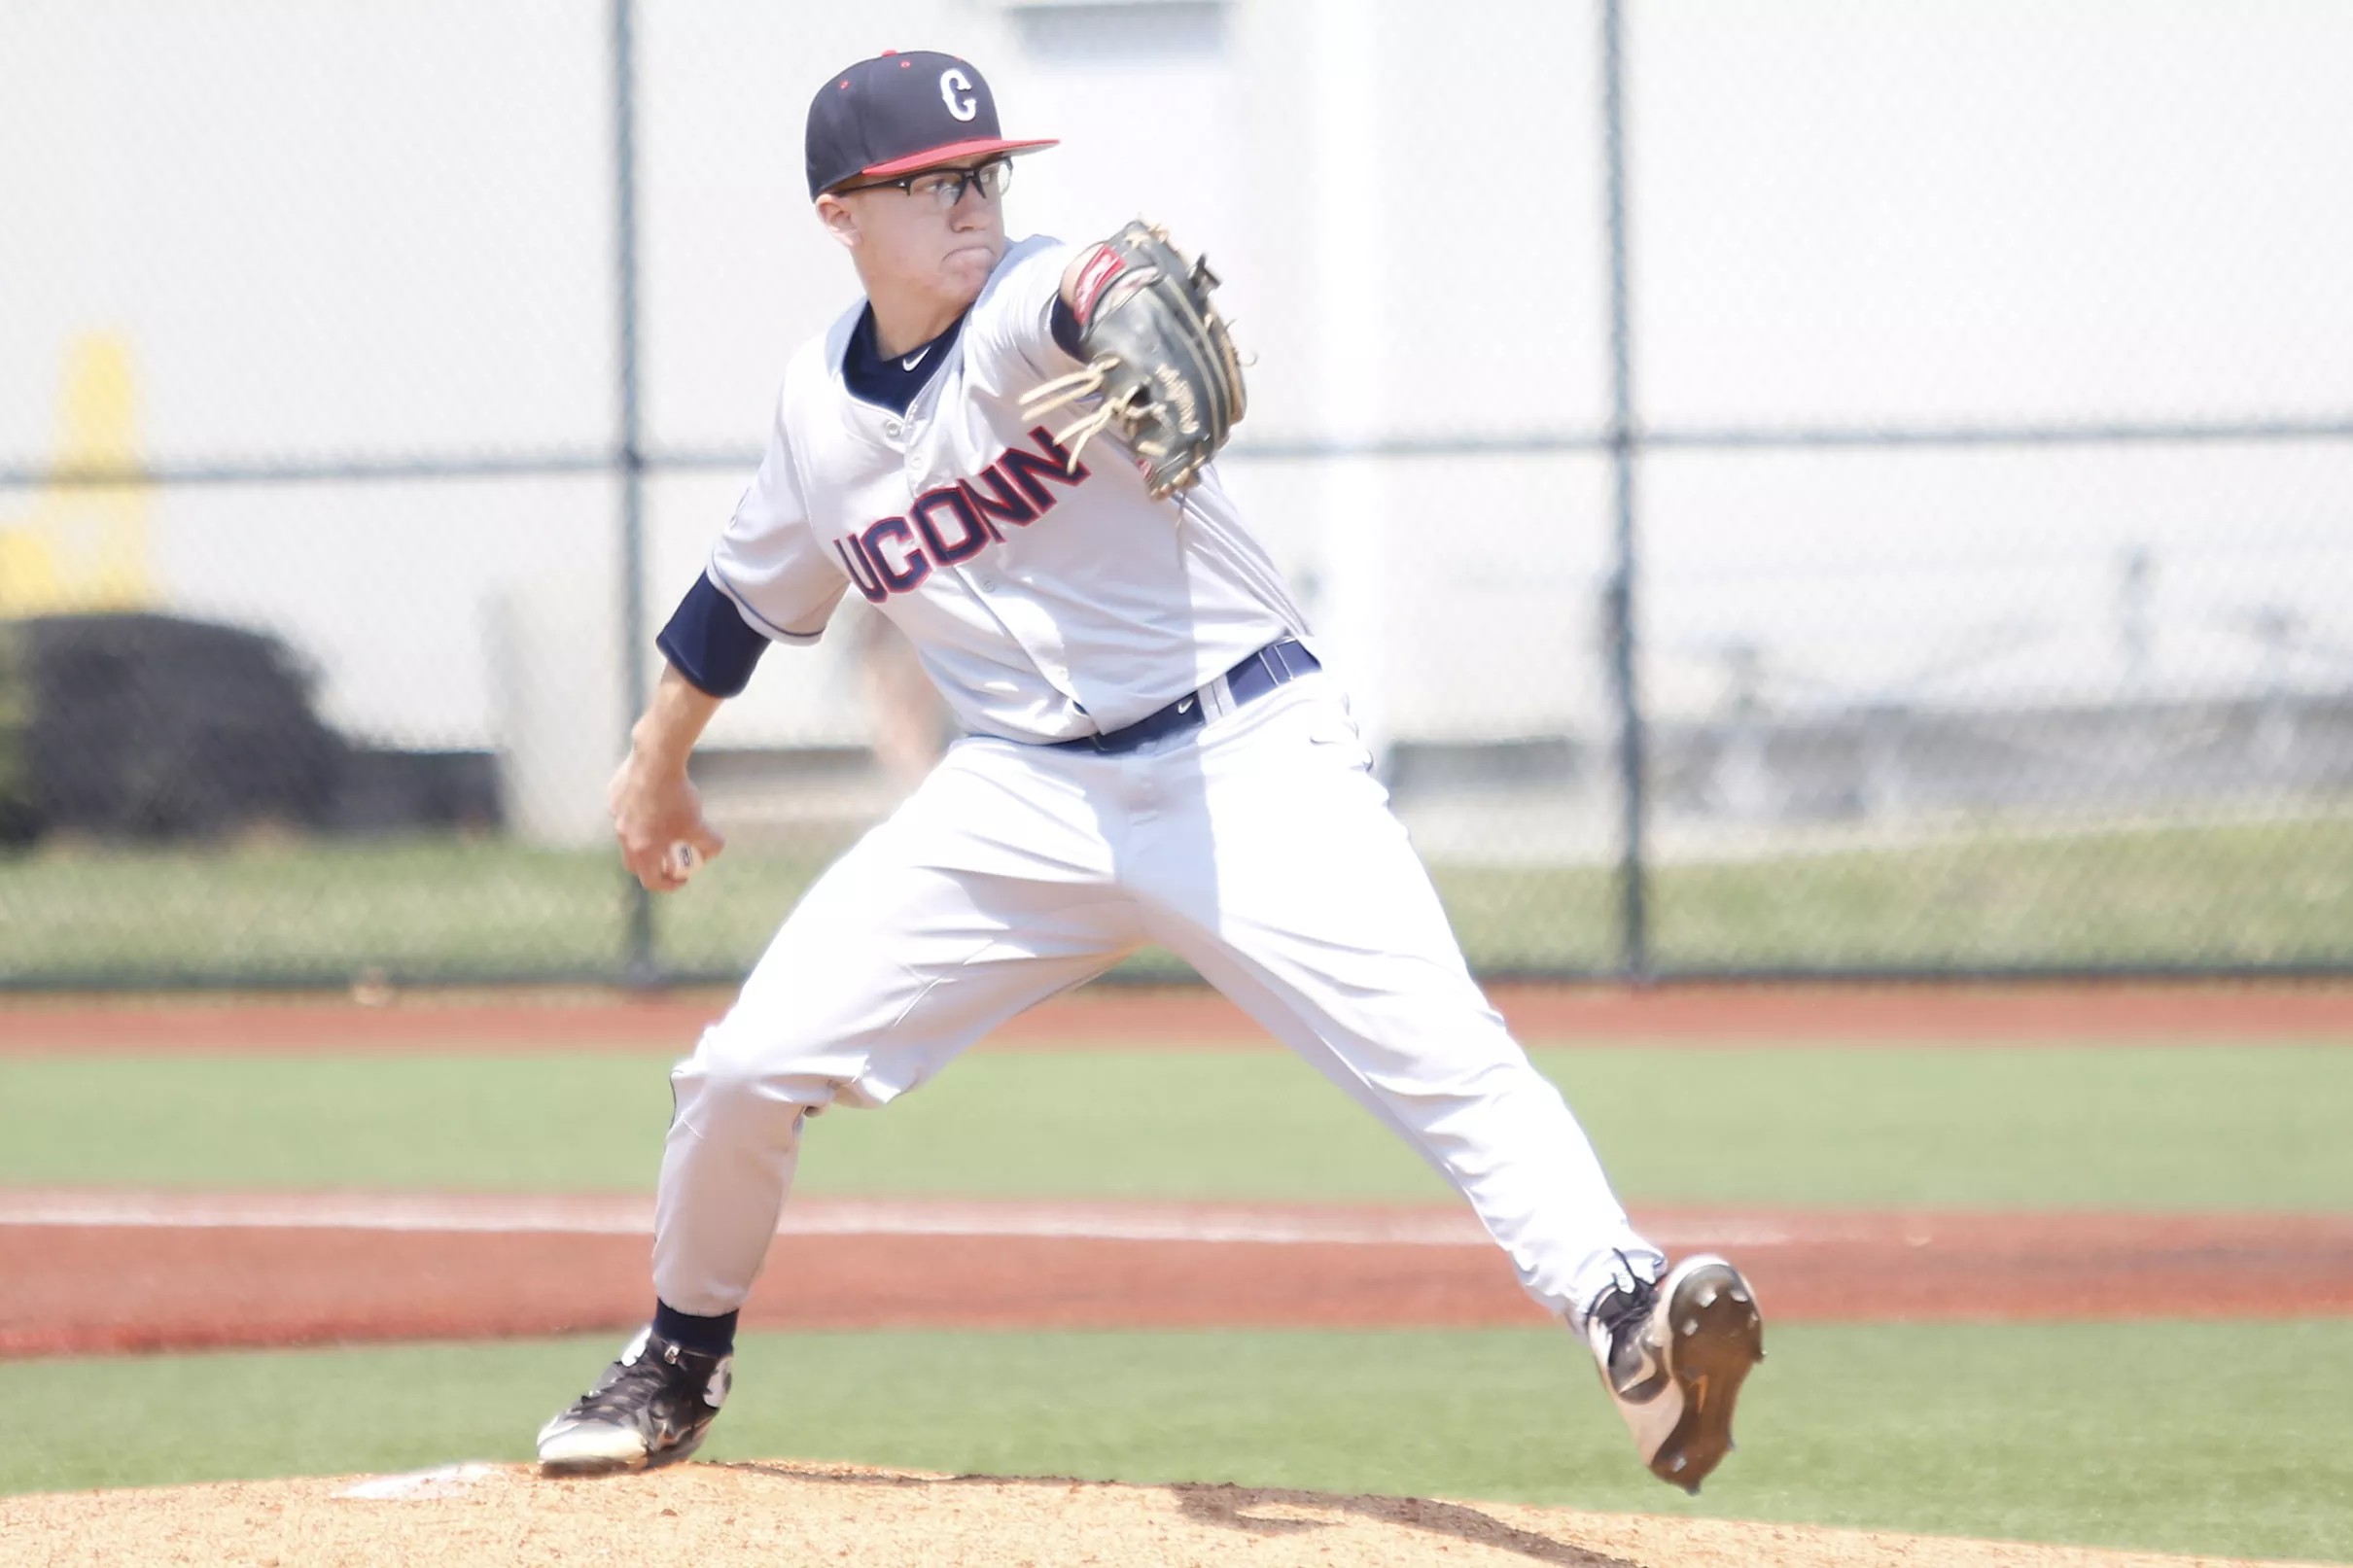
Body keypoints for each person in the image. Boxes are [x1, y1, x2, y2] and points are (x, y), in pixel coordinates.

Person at [534, 48, 1763, 1495]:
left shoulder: (1016, 310)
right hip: (1022, 797)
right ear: (840, 215)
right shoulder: (819, 413)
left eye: (982, 173)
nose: (969, 204)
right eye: (926, 186)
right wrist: (652, 771)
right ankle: (679, 1355)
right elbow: (734, 602)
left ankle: (1632, 1323)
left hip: (1242, 751)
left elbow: (1091, 280)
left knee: (1440, 1052)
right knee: (741, 1065)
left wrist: (1116, 297)